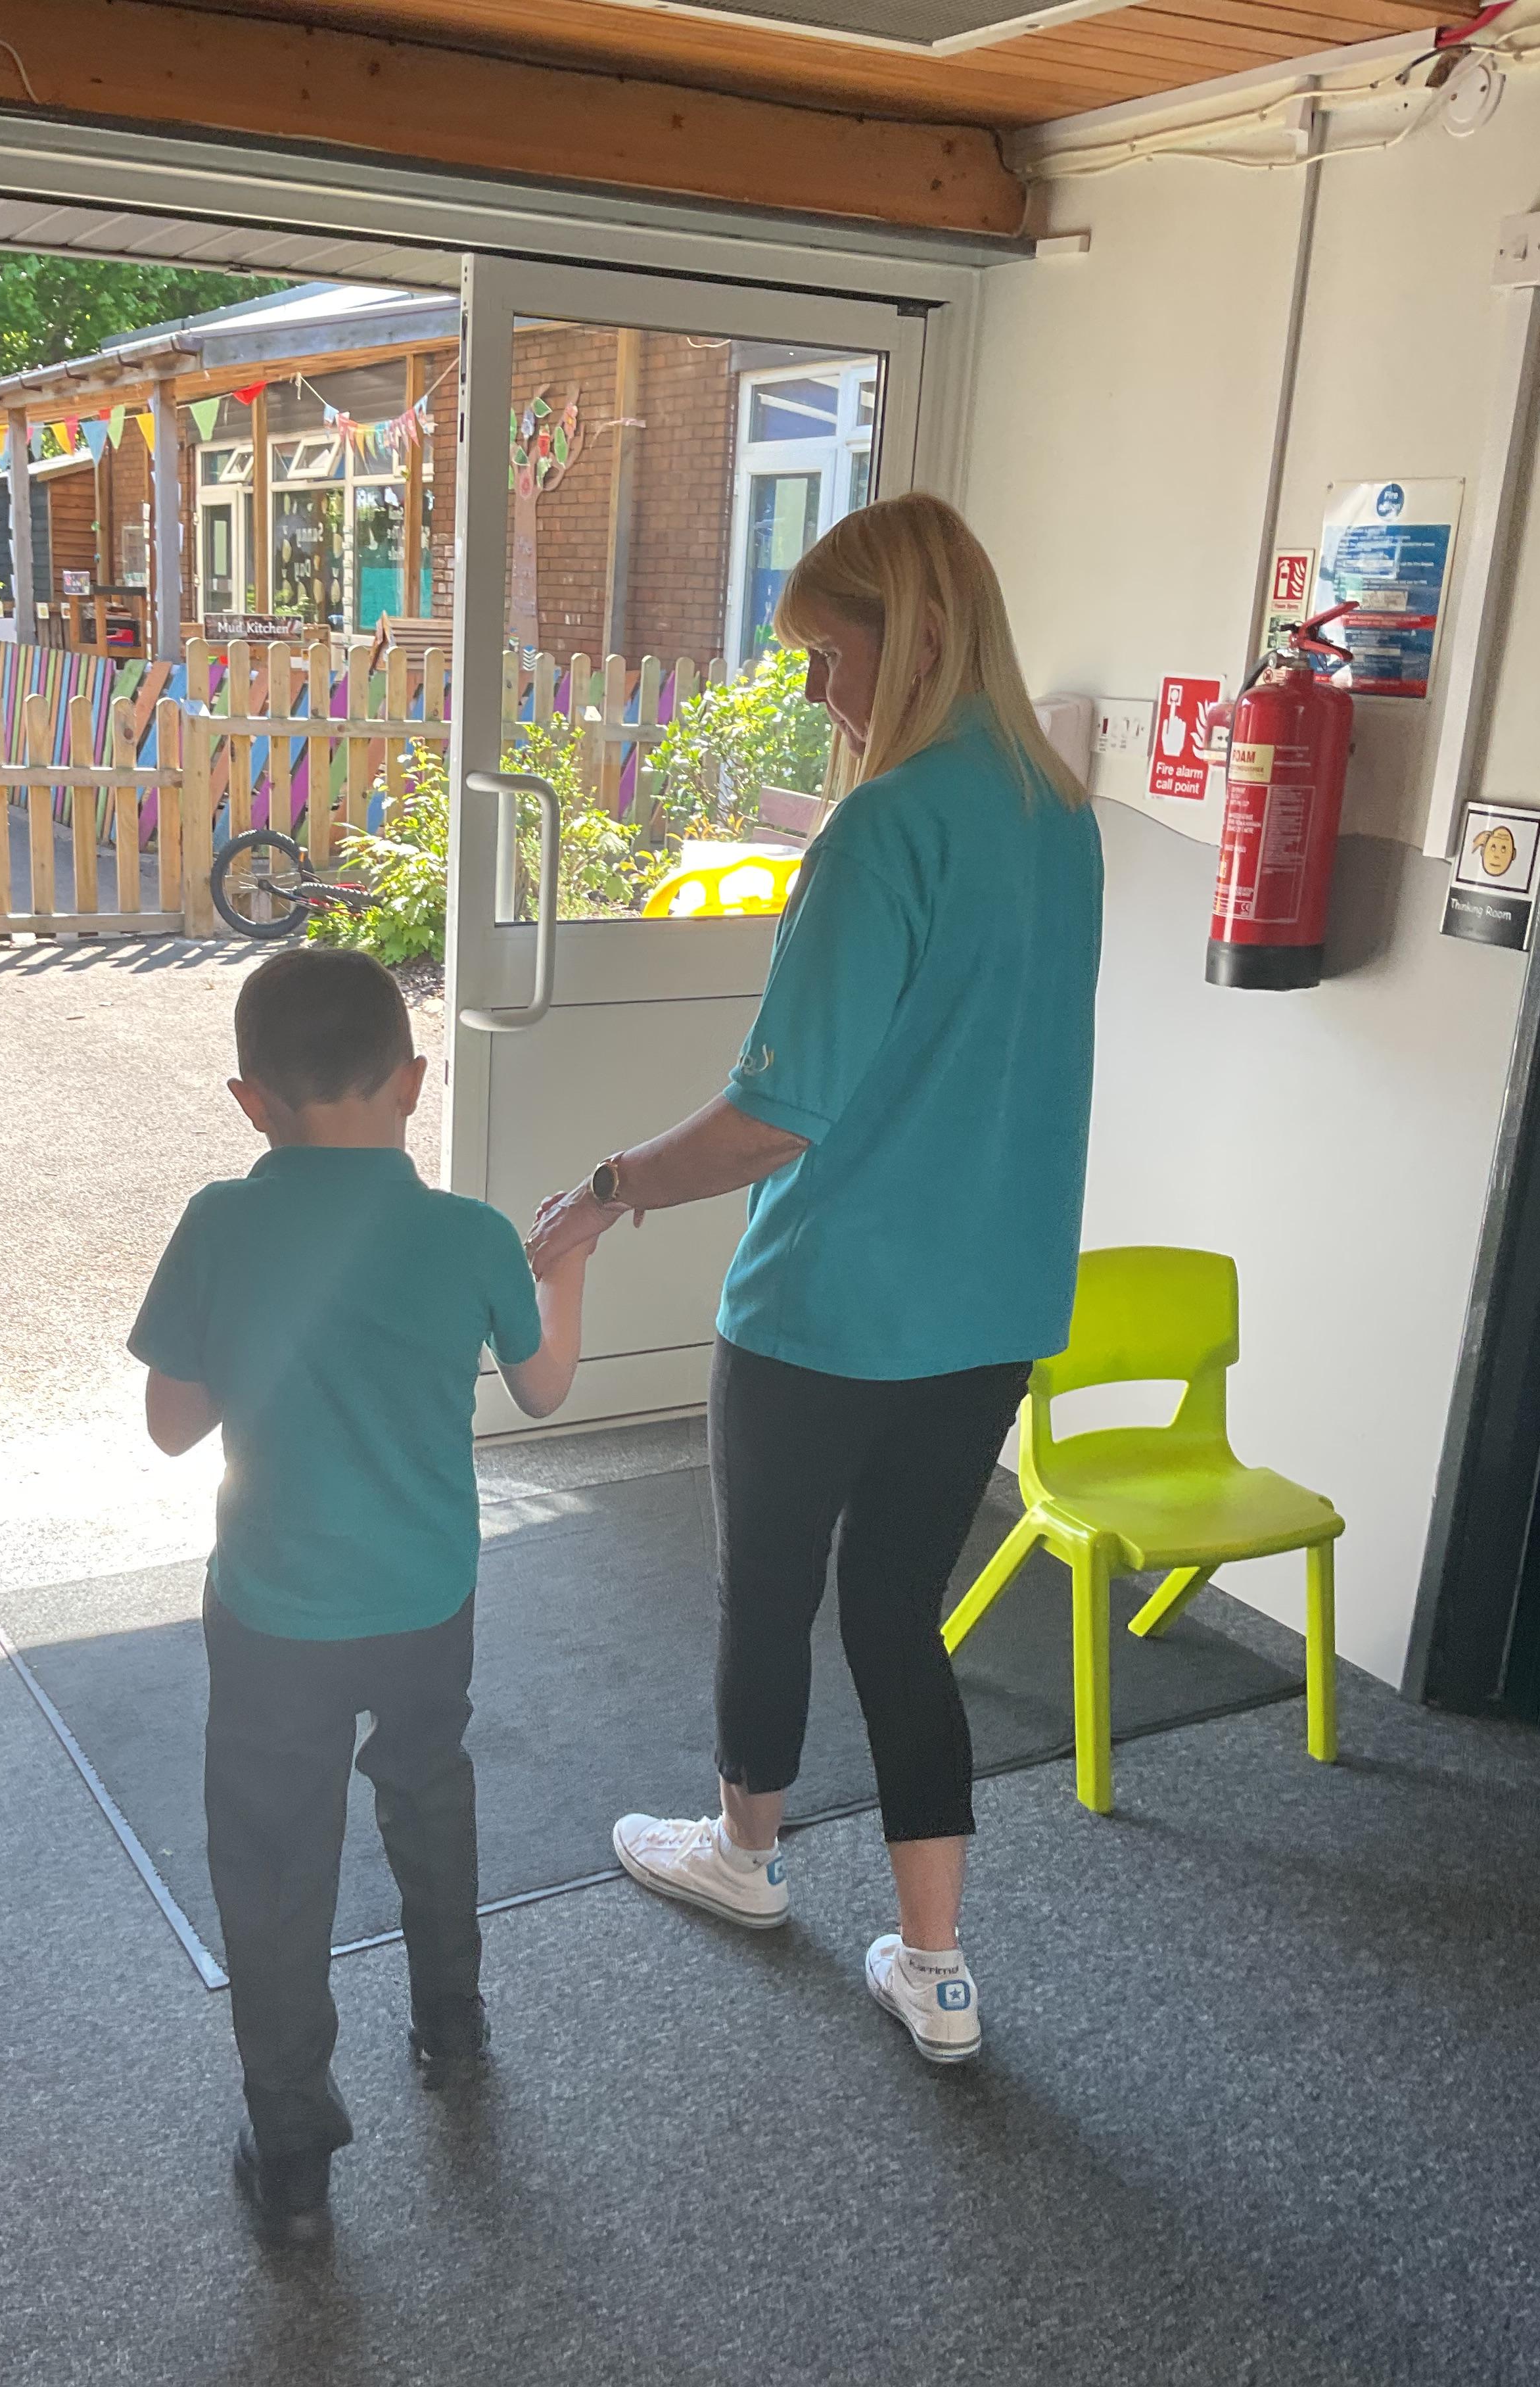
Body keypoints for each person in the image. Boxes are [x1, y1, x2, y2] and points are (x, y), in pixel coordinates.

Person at [526, 492, 1102, 2068]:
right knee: (900, 1615)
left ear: (916, 638)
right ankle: (939, 1968)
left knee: (769, 1591)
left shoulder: (883, 826)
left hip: (826, 1311)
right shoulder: (1059, 818)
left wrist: (606, 1191)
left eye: (827, 656)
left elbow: (775, 1116)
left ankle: (746, 1854)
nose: (816, 692)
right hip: (990, 1308)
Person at [131, 946, 588, 2246]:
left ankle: (292, 2155)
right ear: (414, 1080)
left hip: (274, 1609)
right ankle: (453, 2027)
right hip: (427, 1595)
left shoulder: (219, 1223)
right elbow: (545, 1388)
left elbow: (172, 1427)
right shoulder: (471, 1234)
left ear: (249, 1101)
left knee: (274, 1855)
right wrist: (566, 1266)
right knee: (430, 1789)